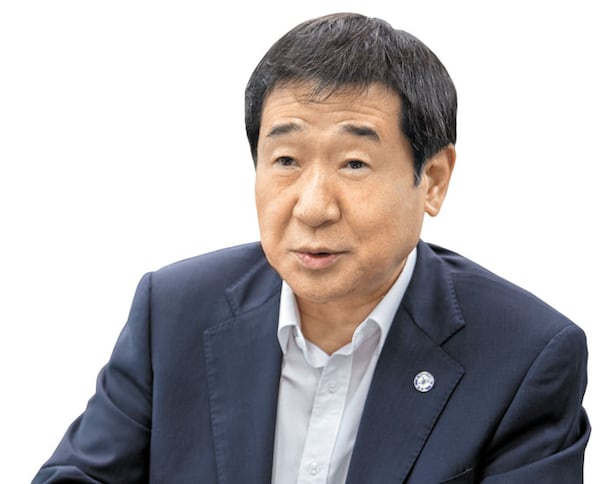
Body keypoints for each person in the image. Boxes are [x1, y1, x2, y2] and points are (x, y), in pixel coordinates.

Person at [33, 12, 590, 484]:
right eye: (286, 160)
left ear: (434, 180)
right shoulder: (174, 311)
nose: (313, 207)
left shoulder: (526, 356)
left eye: (354, 163)